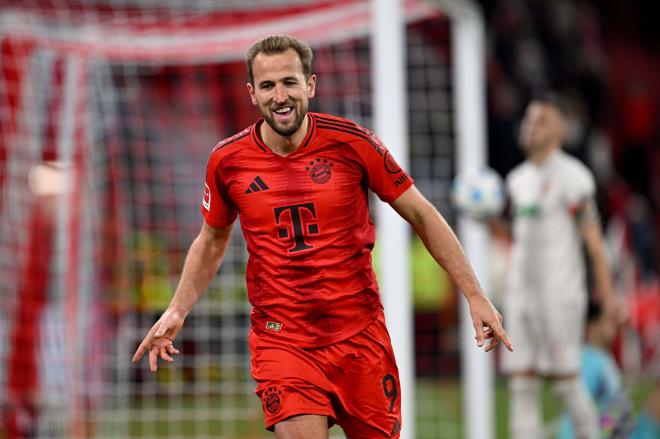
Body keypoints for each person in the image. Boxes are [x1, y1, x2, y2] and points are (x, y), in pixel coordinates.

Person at [132, 34, 512, 439]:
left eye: (290, 82)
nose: (280, 96)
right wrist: (177, 309)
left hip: (359, 337)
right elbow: (211, 240)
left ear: (310, 84)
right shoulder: (228, 161)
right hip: (283, 340)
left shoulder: (353, 144)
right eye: (267, 85)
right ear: (252, 93)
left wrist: (474, 293)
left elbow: (421, 213)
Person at [501, 97, 622, 439]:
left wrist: (609, 300)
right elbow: (521, 238)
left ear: (561, 131)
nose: (531, 125)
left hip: (559, 295)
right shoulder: (517, 180)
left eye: (541, 119)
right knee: (522, 384)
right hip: (521, 293)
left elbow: (594, 242)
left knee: (567, 383)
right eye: (528, 118)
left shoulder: (573, 177)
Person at [558, 302, 660, 439]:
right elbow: (577, 409)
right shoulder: (588, 360)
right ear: (591, 327)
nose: (614, 324)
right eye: (607, 320)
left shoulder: (601, 358)